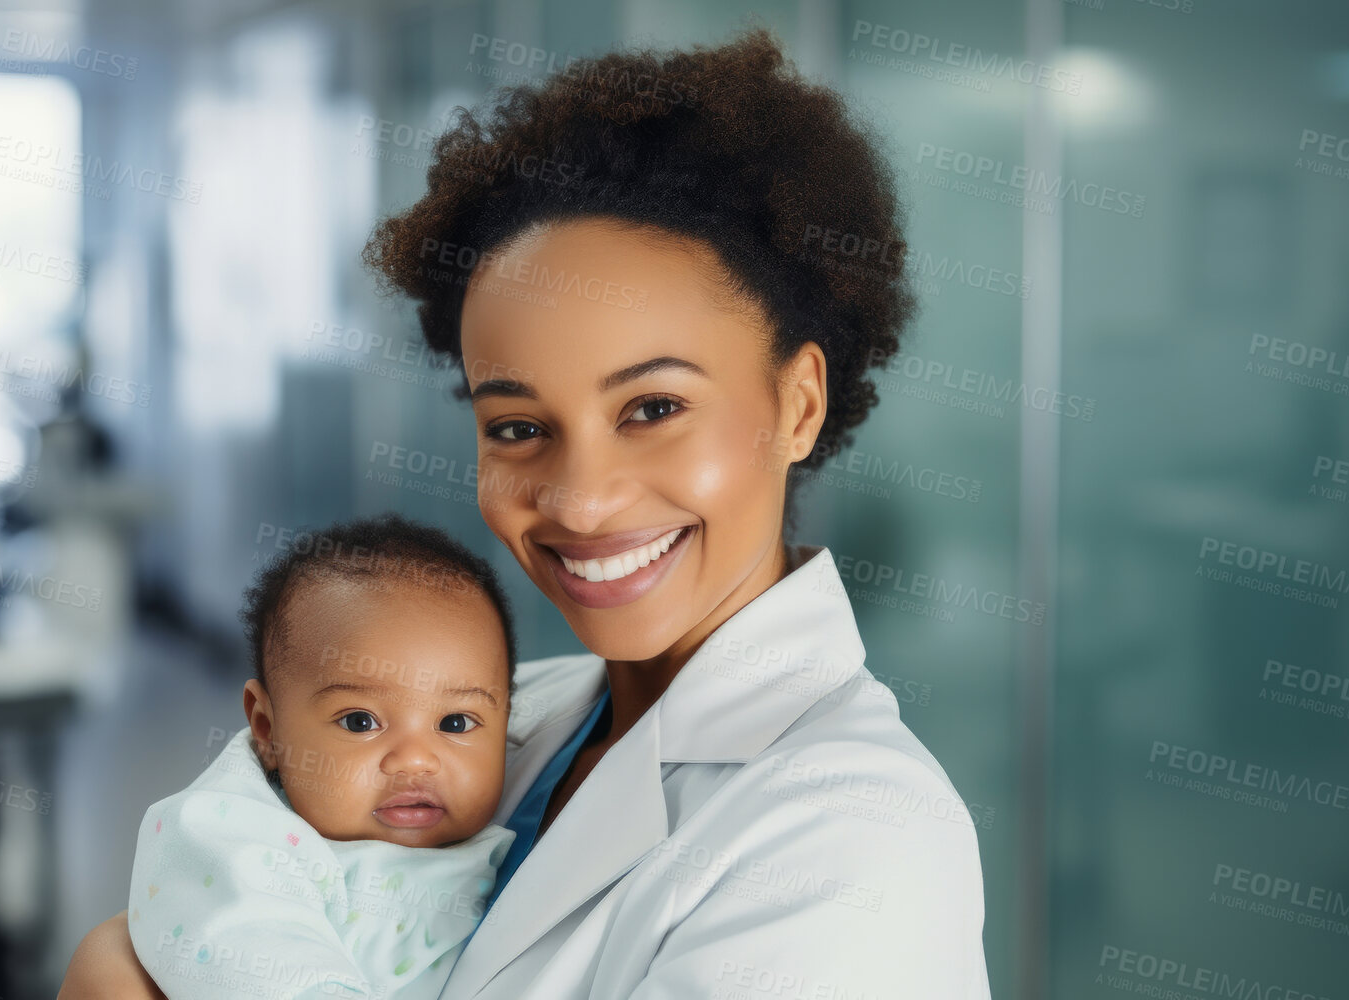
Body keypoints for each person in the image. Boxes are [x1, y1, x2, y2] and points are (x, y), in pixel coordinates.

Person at [63, 28, 990, 999]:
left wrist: (109, 975)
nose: (579, 499)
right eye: (515, 426)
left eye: (653, 409)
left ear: (795, 405)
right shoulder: (506, 716)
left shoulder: (855, 839)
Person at [126, 515, 520, 999]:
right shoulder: (237, 840)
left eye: (455, 723)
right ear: (267, 729)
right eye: (360, 721)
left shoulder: (515, 839)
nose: (416, 760)